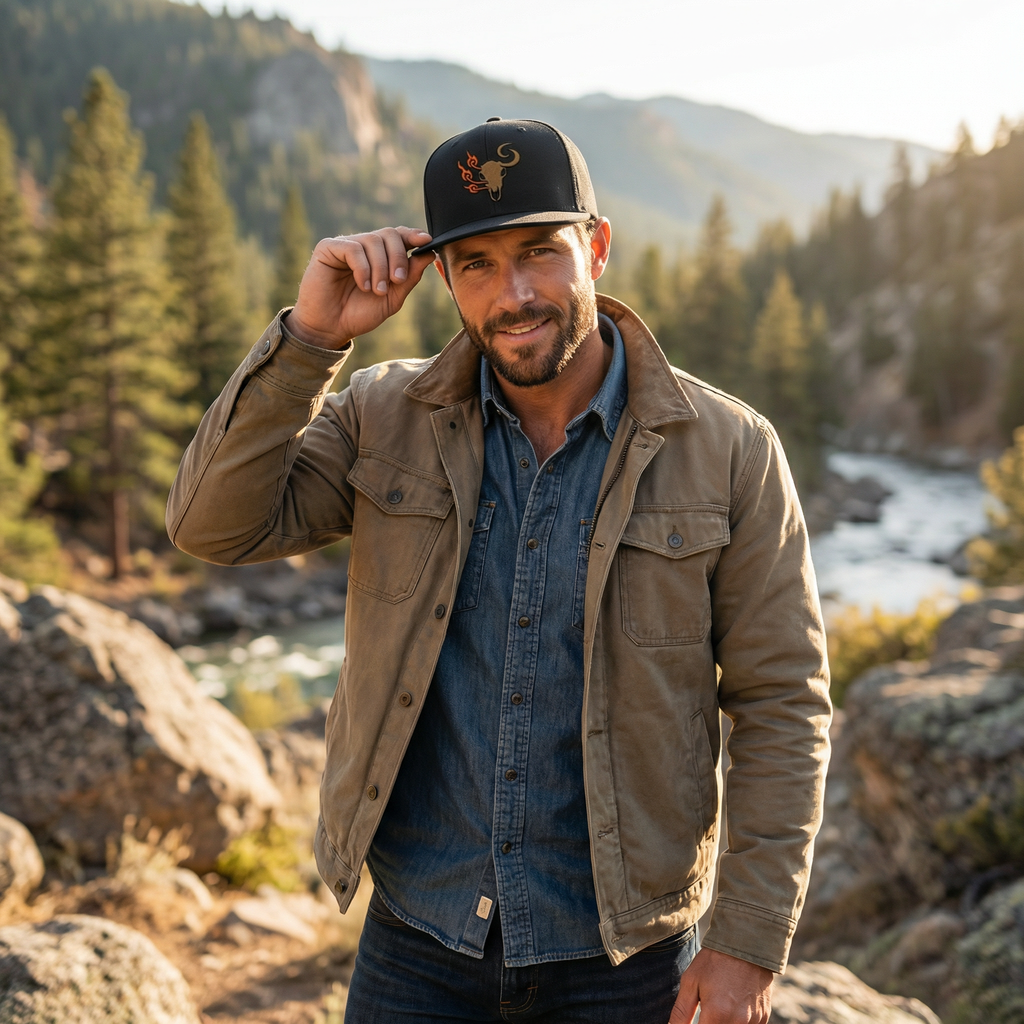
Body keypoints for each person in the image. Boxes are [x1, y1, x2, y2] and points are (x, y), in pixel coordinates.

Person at [167, 118, 831, 1023]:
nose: (514, 294)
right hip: (417, 945)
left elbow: (783, 700)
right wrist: (312, 339)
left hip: (624, 959)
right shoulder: (381, 416)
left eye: (539, 252)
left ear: (595, 247)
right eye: (475, 263)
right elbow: (213, 524)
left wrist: (747, 943)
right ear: (443, 278)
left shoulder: (729, 451)